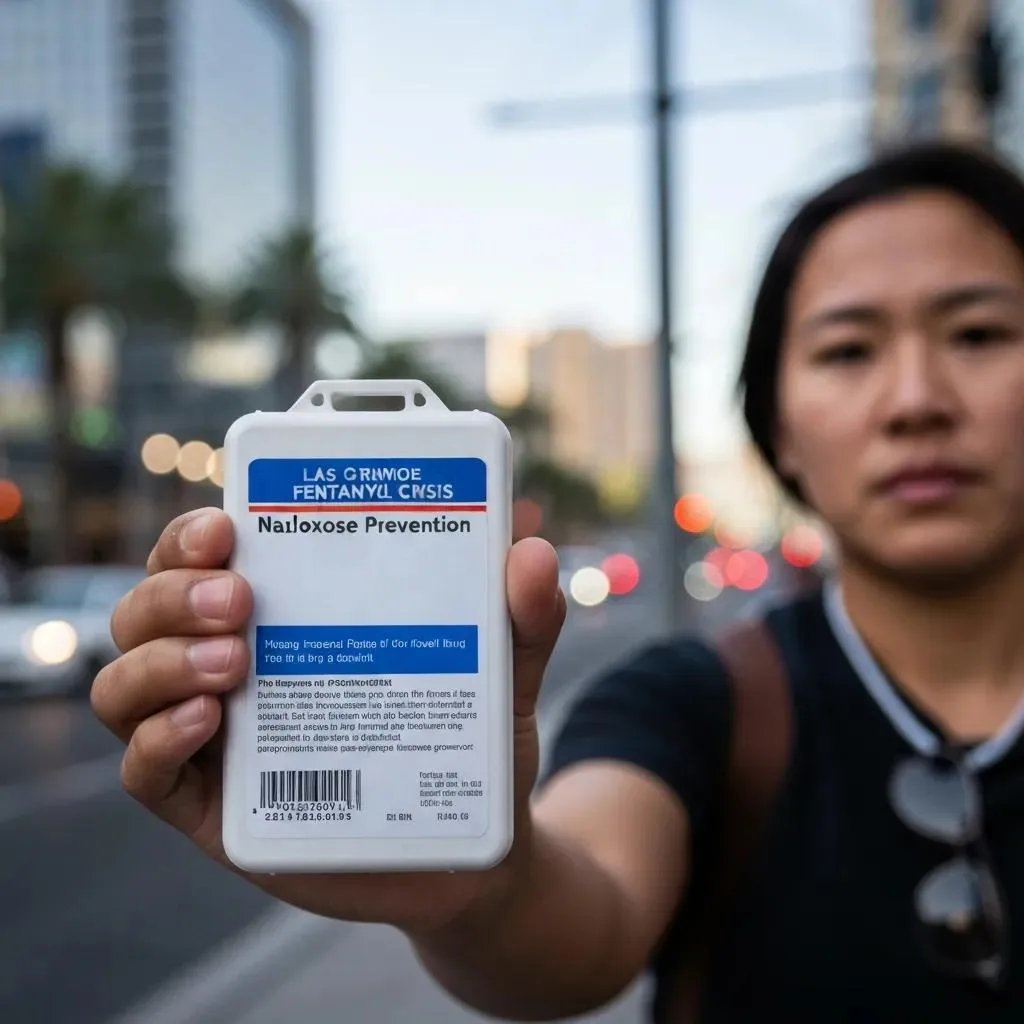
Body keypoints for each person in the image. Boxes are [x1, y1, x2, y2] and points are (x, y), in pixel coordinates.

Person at [92, 139, 1024, 1022]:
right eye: (849, 351)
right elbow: (588, 918)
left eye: (978, 333)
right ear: (777, 424)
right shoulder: (693, 704)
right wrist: (470, 895)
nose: (917, 402)